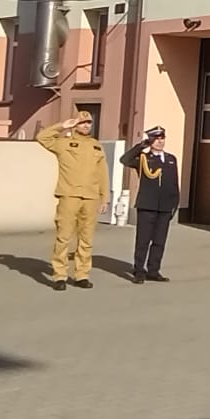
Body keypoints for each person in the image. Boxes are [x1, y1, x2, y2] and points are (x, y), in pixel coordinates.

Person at [36, 111, 109, 291]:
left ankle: (82, 275)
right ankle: (59, 275)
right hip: (69, 195)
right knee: (64, 237)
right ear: (75, 124)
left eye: (88, 123)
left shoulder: (96, 146)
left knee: (86, 239)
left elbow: (103, 174)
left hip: (91, 197)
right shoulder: (63, 143)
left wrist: (105, 198)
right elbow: (42, 137)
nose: (86, 125)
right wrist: (62, 126)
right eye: (82, 122)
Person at [121, 126, 181, 284]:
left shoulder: (171, 159)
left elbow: (174, 183)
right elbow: (124, 160)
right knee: (143, 240)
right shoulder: (143, 158)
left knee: (159, 241)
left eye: (162, 138)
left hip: (165, 206)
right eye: (156, 139)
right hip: (147, 205)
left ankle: (153, 270)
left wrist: (175, 203)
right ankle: (139, 271)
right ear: (150, 141)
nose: (160, 142)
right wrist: (141, 146)